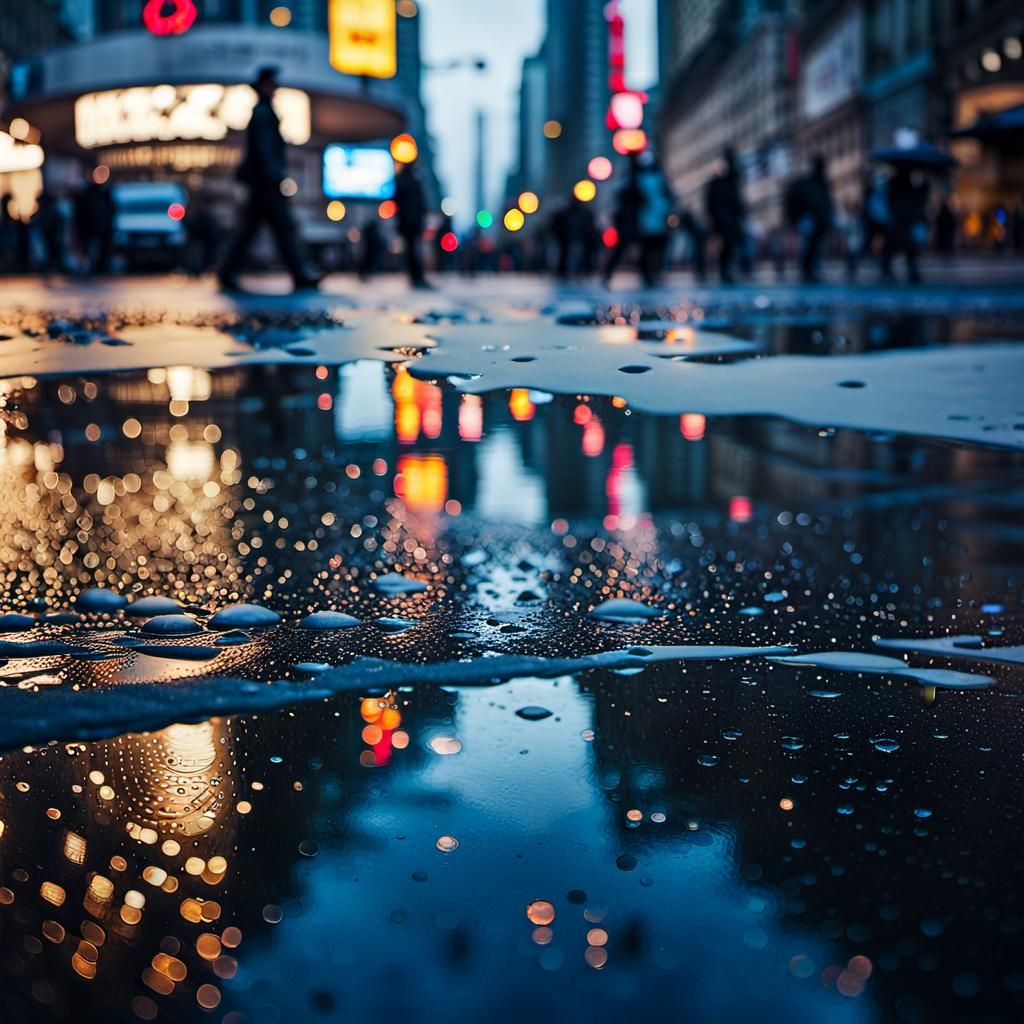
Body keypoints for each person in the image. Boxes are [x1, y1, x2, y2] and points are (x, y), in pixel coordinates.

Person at [219, 66, 319, 292]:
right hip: (266, 182)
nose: (276, 87)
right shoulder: (264, 112)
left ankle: (228, 272)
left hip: (263, 181)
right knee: (282, 227)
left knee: (255, 229)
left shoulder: (264, 110)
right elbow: (265, 149)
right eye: (272, 83)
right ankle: (299, 272)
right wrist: (275, 176)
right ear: (264, 85)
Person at [784, 154, 834, 283]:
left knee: (814, 246)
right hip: (809, 220)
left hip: (816, 220)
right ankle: (807, 270)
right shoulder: (810, 184)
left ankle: (810, 270)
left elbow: (826, 204)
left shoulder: (820, 183)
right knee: (810, 246)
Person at [705, 148, 745, 283]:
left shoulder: (731, 181)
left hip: (731, 218)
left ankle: (727, 269)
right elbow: (711, 203)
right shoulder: (717, 184)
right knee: (727, 244)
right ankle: (724, 269)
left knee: (731, 244)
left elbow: (737, 200)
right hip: (722, 219)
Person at [884, 167, 929, 283]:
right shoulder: (910, 187)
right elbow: (921, 199)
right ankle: (911, 272)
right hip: (907, 222)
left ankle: (887, 270)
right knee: (909, 248)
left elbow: (889, 202)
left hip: (899, 222)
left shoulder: (894, 185)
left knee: (894, 248)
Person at [393, 157, 429, 288]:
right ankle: (417, 277)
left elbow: (397, 201)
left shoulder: (402, 179)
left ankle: (415, 277)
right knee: (414, 250)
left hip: (407, 221)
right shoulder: (413, 179)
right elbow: (421, 202)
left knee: (411, 250)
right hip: (412, 221)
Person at [74, 166, 116, 274]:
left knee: (102, 250)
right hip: (89, 228)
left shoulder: (105, 193)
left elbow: (111, 210)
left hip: (102, 228)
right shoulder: (87, 194)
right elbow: (80, 212)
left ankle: (99, 268)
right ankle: (92, 268)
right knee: (90, 249)